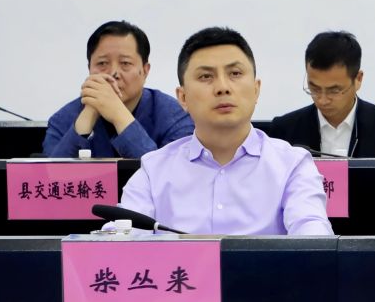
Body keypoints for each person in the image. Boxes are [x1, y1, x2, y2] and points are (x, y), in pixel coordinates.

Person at [117, 27, 332, 236]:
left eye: (235, 73)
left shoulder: (292, 165)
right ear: (183, 97)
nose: (222, 87)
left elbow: (313, 236)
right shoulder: (153, 171)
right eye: (205, 77)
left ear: (256, 89)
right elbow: (121, 241)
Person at [43, 20, 192, 159]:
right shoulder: (62, 119)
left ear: (145, 71)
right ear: (89, 68)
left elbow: (171, 174)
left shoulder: (175, 117)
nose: (113, 73)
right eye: (102, 63)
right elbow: (49, 176)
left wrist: (118, 114)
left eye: (125, 63)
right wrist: (86, 118)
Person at [266, 31, 375, 158]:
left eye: (334, 91)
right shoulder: (284, 131)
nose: (323, 100)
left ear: (358, 79)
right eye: (314, 89)